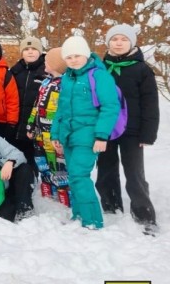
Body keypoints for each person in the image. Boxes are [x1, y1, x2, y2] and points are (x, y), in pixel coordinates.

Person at [51, 36, 120, 229]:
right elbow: (61, 109)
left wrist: (101, 136)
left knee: (79, 175)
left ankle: (93, 221)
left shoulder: (99, 75)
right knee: (73, 176)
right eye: (69, 57)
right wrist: (56, 134)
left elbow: (110, 107)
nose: (73, 60)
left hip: (88, 135)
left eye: (77, 55)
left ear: (86, 53)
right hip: (69, 135)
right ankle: (79, 214)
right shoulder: (67, 77)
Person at [97, 24, 160, 232]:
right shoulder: (100, 68)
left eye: (124, 39)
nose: (118, 43)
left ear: (132, 42)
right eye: (115, 39)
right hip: (105, 129)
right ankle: (110, 206)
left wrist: (148, 133)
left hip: (132, 131)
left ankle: (144, 215)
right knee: (105, 170)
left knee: (134, 174)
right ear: (108, 43)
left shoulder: (142, 70)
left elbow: (150, 104)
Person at [26, 48, 69, 201]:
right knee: (41, 159)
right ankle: (46, 184)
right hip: (39, 132)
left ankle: (63, 189)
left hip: (54, 133)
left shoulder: (65, 84)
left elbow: (66, 111)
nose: (44, 63)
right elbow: (36, 106)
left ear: (56, 64)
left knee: (58, 162)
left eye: (47, 61)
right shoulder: (45, 82)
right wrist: (31, 125)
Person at [9, 37, 46, 169]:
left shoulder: (46, 72)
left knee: (34, 160)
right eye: (26, 49)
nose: (30, 52)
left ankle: (34, 182)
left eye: (34, 49)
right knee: (16, 160)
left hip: (37, 126)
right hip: (16, 126)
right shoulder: (15, 71)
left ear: (40, 52)